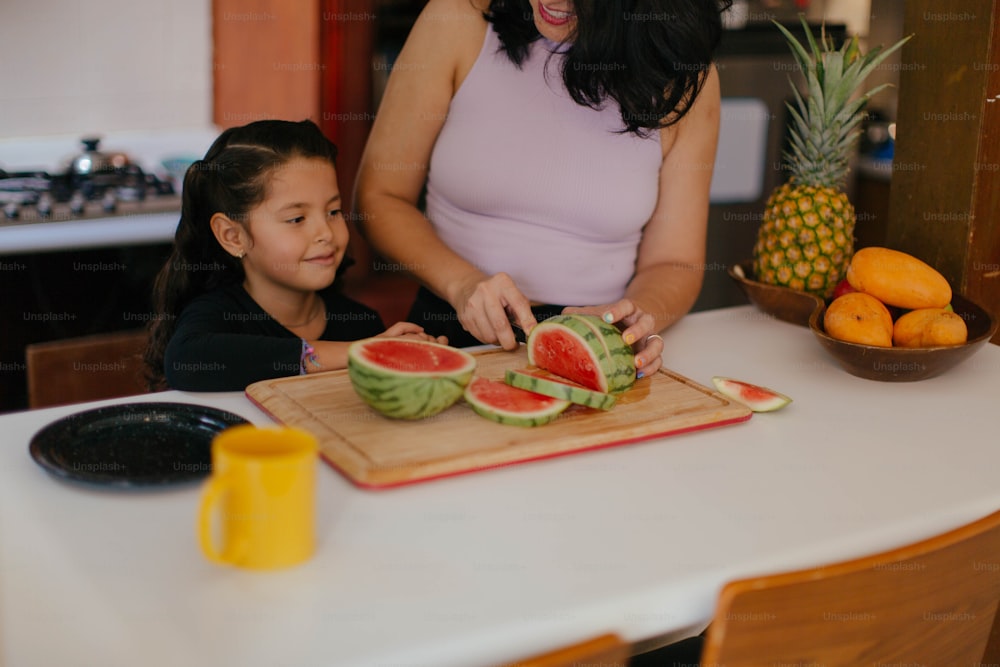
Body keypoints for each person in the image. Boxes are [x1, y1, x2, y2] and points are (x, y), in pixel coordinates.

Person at [355, 0, 729, 380]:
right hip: (451, 327)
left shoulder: (683, 79)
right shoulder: (456, 18)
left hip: (600, 344)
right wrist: (462, 284)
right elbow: (379, 198)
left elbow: (675, 262)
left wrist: (637, 313)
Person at [144, 119, 443, 392]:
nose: (325, 232)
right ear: (233, 236)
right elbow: (187, 359)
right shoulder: (217, 315)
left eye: (333, 211)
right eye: (297, 219)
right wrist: (363, 353)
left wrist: (423, 368)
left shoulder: (359, 324)